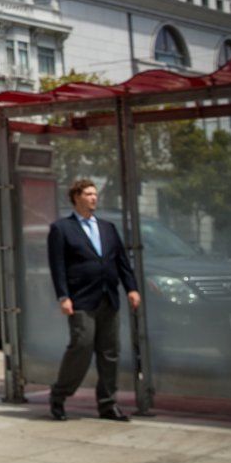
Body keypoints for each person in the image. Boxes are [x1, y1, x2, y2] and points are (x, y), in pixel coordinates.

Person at [47, 179, 141, 422]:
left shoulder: (108, 228)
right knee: (81, 346)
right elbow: (57, 266)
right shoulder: (62, 229)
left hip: (108, 297)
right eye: (88, 194)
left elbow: (121, 261)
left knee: (110, 353)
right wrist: (63, 296)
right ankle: (59, 395)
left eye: (95, 194)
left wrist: (131, 288)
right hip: (81, 299)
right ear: (76, 197)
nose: (93, 198)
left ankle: (108, 404)